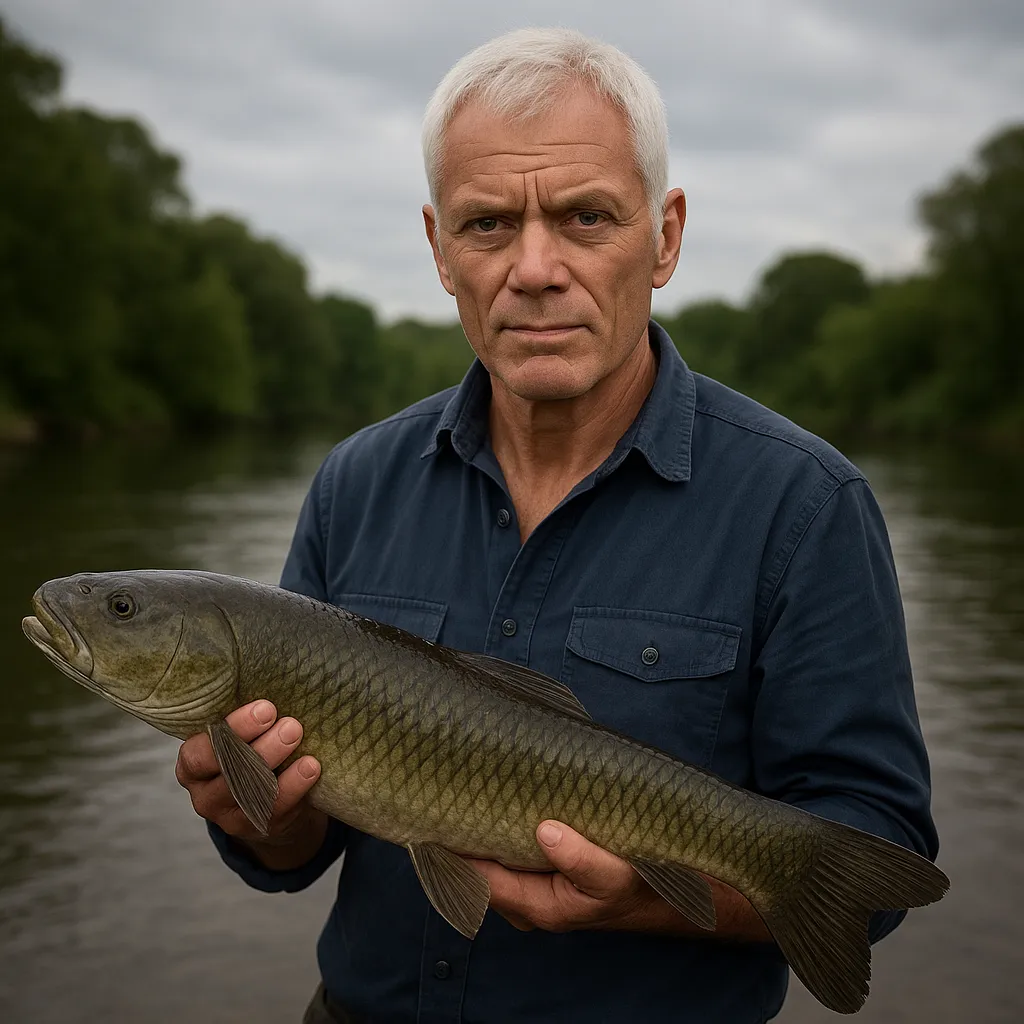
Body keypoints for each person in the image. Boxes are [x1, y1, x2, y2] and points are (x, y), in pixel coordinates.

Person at [175, 27, 938, 1024]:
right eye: (487, 224)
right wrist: (260, 820)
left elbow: (865, 846)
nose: (534, 267)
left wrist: (654, 899)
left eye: (585, 216)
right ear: (438, 248)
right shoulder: (354, 482)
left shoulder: (804, 505)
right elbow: (295, 853)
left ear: (663, 236)